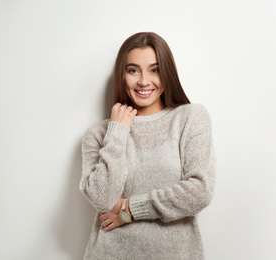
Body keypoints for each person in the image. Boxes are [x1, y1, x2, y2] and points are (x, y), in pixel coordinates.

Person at [79, 32, 216, 260]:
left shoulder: (190, 118)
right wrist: (118, 131)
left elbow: (200, 190)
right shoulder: (99, 133)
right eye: (133, 70)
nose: (143, 81)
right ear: (122, 75)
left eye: (154, 70)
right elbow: (102, 199)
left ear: (167, 73)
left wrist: (129, 210)